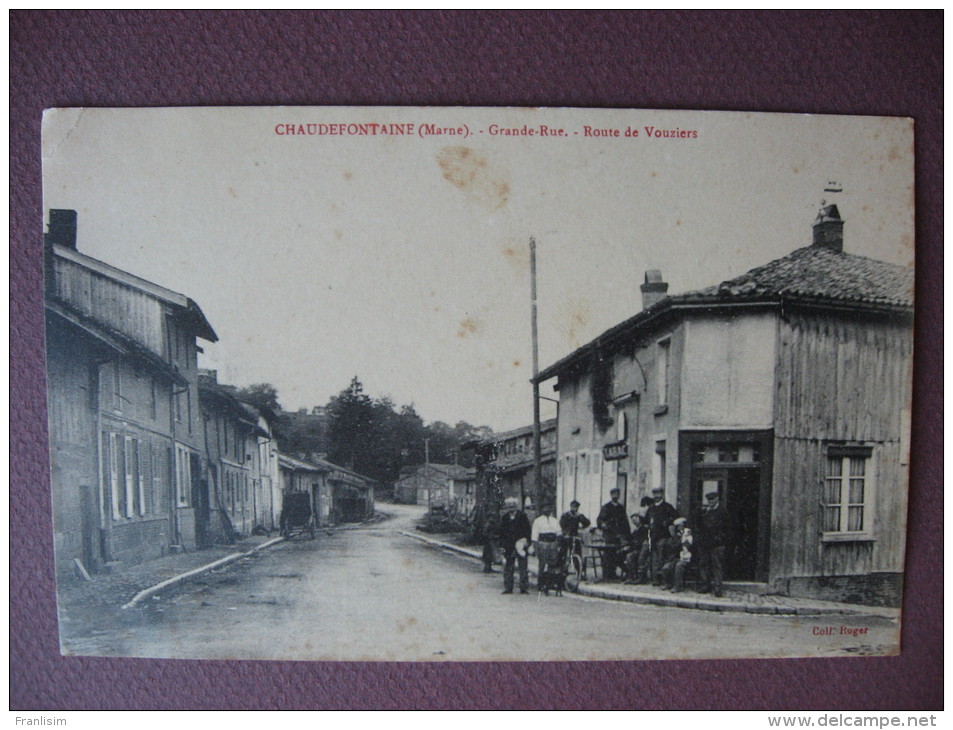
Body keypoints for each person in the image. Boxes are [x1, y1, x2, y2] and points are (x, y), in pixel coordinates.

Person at [697, 488, 729, 597]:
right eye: (709, 500)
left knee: (717, 566)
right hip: (705, 542)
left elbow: (727, 527)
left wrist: (720, 539)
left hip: (717, 543)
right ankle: (705, 586)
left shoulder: (722, 511)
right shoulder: (706, 511)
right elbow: (700, 525)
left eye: (712, 500)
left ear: (717, 499)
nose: (710, 502)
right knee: (704, 564)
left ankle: (717, 588)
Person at [644, 486, 678, 585]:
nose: (656, 496)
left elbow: (676, 517)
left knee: (661, 558)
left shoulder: (667, 507)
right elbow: (646, 521)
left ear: (662, 494)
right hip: (653, 537)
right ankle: (655, 579)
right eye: (655, 494)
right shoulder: (650, 508)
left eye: (658, 494)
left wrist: (668, 522)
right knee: (654, 559)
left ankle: (664, 579)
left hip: (663, 537)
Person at [499, 496, 531, 594]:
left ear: (516, 507)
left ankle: (524, 588)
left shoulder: (522, 516)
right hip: (509, 546)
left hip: (521, 544)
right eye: (509, 507)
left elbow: (528, 530)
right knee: (509, 566)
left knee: (523, 567)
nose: (511, 509)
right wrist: (502, 545)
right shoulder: (504, 518)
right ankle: (508, 587)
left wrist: (527, 542)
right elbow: (501, 532)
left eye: (513, 507)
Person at [597, 487, 629, 581]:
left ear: (619, 495)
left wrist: (626, 534)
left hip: (618, 534)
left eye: (617, 494)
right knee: (608, 554)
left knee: (617, 554)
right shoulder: (606, 507)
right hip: (609, 534)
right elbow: (599, 520)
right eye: (613, 494)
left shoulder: (621, 508)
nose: (615, 496)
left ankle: (613, 574)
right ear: (611, 495)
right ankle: (607, 575)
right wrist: (603, 525)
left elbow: (625, 521)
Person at [532, 502, 562, 588]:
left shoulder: (555, 520)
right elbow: (534, 535)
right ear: (542, 510)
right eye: (545, 508)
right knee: (542, 563)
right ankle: (540, 583)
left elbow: (559, 532)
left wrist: (558, 542)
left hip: (553, 543)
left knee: (552, 563)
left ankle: (550, 582)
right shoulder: (538, 521)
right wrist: (535, 547)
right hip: (543, 543)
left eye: (549, 508)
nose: (548, 510)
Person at [660, 517, 693, 592]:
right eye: (679, 526)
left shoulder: (688, 535)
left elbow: (687, 547)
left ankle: (677, 586)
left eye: (682, 526)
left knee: (679, 566)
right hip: (675, 557)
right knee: (665, 567)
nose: (681, 528)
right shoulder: (674, 537)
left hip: (686, 558)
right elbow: (671, 547)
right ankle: (668, 584)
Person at [623, 512, 649, 583]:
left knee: (640, 559)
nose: (634, 521)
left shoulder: (645, 529)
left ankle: (641, 578)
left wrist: (634, 544)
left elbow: (643, 541)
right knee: (628, 556)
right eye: (633, 520)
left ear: (640, 519)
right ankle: (631, 577)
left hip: (643, 550)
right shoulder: (635, 531)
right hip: (636, 549)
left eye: (636, 519)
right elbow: (632, 541)